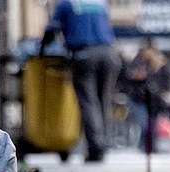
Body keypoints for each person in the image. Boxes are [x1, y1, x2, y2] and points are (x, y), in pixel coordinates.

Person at [40, 0, 122, 162]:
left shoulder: (66, 3)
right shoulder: (100, 3)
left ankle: (96, 147)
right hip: (109, 54)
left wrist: (43, 48)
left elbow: (52, 28)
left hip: (84, 55)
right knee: (103, 101)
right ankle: (103, 144)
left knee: (89, 102)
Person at [119, 41, 170, 152]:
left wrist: (158, 67)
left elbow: (166, 81)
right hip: (139, 98)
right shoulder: (137, 62)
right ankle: (145, 146)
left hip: (154, 100)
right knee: (144, 124)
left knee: (153, 125)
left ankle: (150, 147)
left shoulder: (159, 64)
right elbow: (130, 77)